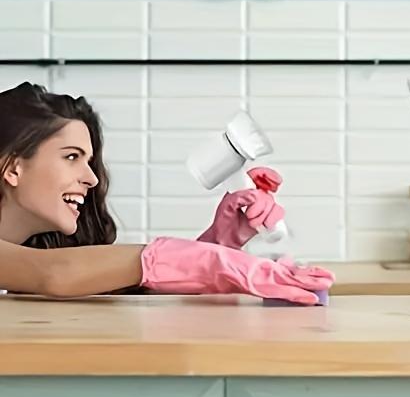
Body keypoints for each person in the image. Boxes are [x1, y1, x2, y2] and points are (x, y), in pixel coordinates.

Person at [0, 82, 332, 303]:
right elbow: (53, 272)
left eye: (88, 161)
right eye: (72, 157)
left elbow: (126, 297)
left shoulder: (31, 256)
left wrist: (220, 243)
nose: (91, 179)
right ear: (13, 168)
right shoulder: (45, 267)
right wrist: (208, 262)